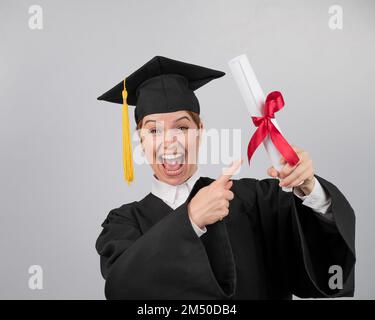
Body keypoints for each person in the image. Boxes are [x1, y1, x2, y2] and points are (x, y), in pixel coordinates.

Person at [95, 56, 355, 299]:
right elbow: (122, 288)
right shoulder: (123, 224)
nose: (168, 142)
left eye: (182, 127)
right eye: (153, 130)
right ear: (139, 139)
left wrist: (310, 190)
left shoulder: (256, 200)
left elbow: (325, 264)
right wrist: (191, 219)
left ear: (200, 131)